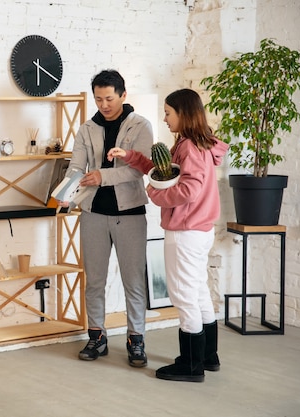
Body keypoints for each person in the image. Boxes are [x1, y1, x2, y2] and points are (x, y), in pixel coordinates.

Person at [108, 88, 229, 382]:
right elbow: (166, 172)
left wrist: (154, 195)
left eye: (168, 112)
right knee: (198, 292)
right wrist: (133, 157)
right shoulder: (197, 144)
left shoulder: (189, 147)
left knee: (184, 295)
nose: (164, 118)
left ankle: (190, 366)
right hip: (198, 230)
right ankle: (206, 357)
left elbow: (188, 189)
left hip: (187, 230)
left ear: (183, 114)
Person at [56, 69, 152, 367]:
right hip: (93, 213)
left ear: (123, 95)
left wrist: (101, 176)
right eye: (98, 99)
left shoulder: (140, 125)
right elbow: (76, 167)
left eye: (109, 98)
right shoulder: (87, 128)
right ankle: (96, 336)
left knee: (133, 280)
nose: (103, 105)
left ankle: (136, 339)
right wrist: (65, 191)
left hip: (130, 213)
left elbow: (138, 169)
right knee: (94, 280)